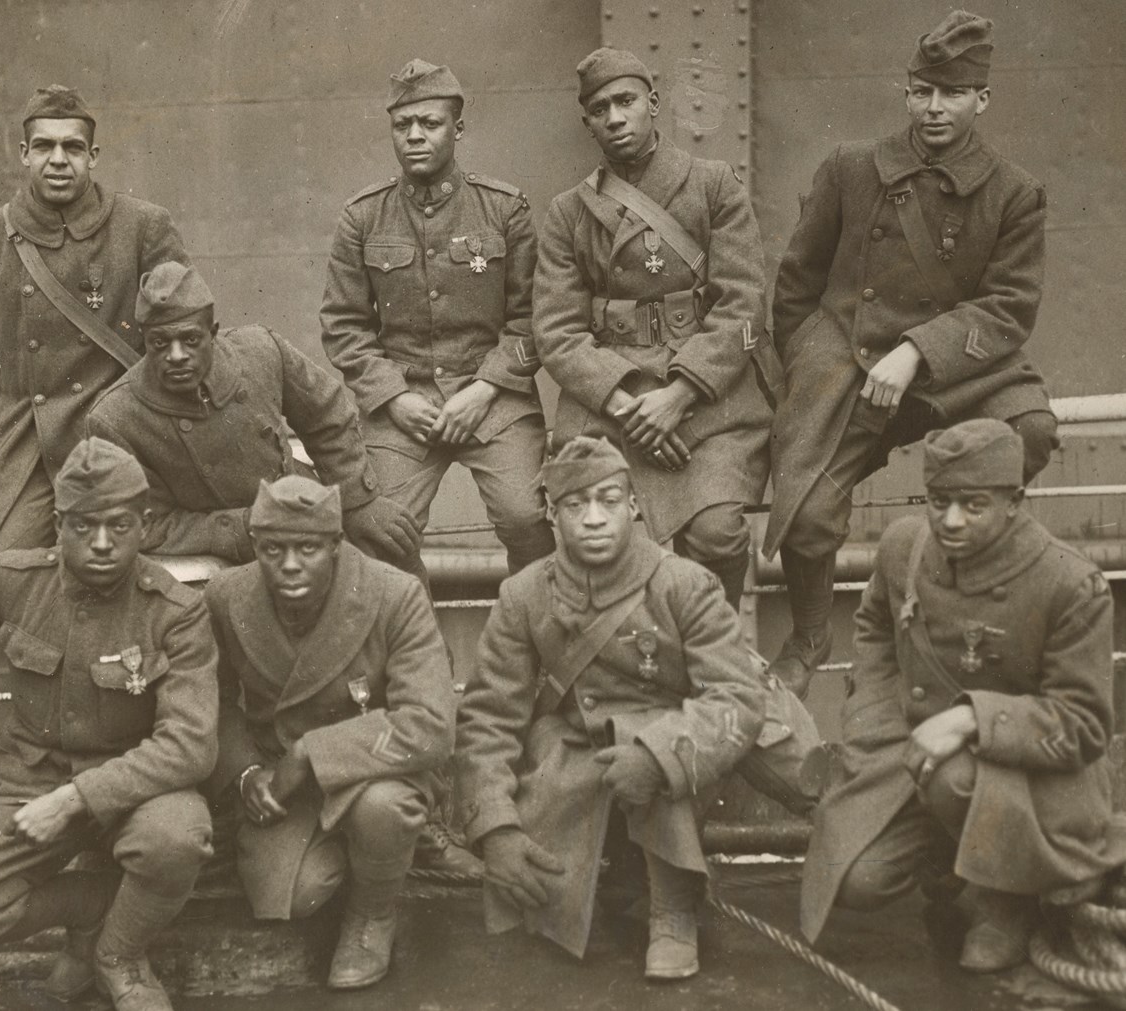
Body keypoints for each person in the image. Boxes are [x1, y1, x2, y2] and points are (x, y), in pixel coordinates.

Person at [764, 10, 1057, 697]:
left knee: (1031, 431)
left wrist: (916, 352)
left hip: (958, 367)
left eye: (951, 94)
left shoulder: (1013, 193)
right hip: (850, 361)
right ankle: (809, 633)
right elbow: (796, 284)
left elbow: (1009, 307)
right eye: (922, 92)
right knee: (806, 515)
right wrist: (812, 367)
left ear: (981, 99)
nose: (933, 109)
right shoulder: (850, 168)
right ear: (906, 93)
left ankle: (954, 588)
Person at [0, 437, 219, 1010]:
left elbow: (189, 746)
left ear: (145, 524)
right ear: (59, 525)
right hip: (27, 785)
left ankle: (120, 954)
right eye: (84, 527)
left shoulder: (175, 610)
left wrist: (74, 800)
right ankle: (93, 911)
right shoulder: (14, 581)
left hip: (135, 792)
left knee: (176, 838)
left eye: (119, 525)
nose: (103, 544)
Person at [454, 436, 807, 980]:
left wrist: (659, 756)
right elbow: (488, 717)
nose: (594, 519)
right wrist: (495, 828)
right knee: (543, 906)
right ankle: (623, 877)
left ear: (634, 506)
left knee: (655, 745)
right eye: (576, 505)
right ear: (552, 513)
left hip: (684, 734)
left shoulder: (683, 583)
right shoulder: (524, 595)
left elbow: (735, 695)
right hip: (580, 744)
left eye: (609, 501)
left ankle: (674, 911)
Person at [801, 419, 1126, 972]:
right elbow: (876, 624)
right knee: (857, 883)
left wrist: (972, 721)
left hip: (1033, 778)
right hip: (913, 750)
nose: (951, 520)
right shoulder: (905, 545)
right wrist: (871, 718)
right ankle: (956, 872)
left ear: (1014, 502)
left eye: (973, 506)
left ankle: (1009, 902)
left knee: (954, 776)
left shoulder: (1070, 585)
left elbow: (1085, 726)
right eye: (939, 501)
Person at [532, 48, 776, 611]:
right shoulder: (569, 212)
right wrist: (631, 404)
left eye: (626, 101)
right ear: (587, 122)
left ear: (652, 104)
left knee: (716, 534)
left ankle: (716, 648)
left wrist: (680, 394)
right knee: (598, 540)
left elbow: (742, 304)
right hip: (610, 403)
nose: (615, 117)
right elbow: (556, 331)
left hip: (709, 397)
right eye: (600, 109)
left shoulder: (713, 186)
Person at [203, 476, 455, 989]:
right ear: (255, 546)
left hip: (376, 769)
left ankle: (374, 912)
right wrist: (245, 772)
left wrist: (312, 752)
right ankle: (372, 856)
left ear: (337, 545)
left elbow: (430, 725)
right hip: (281, 784)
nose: (290, 565)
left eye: (309, 548)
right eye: (273, 549)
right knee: (298, 897)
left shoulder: (393, 594)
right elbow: (212, 703)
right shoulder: (227, 596)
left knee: (382, 809)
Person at [320, 58, 555, 579]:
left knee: (526, 517)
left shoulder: (504, 210)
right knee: (380, 530)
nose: (415, 137)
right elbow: (344, 325)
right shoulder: (362, 216)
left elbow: (533, 318)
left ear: (458, 128)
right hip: (404, 400)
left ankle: (538, 643)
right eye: (403, 126)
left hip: (494, 398)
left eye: (430, 123)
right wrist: (394, 397)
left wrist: (485, 389)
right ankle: (416, 652)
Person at [0, 84, 191, 560]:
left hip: (117, 433)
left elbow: (187, 333)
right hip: (24, 440)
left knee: (115, 563)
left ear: (93, 155)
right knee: (10, 571)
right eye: (44, 146)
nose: (58, 159)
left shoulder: (143, 225)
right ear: (24, 153)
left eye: (72, 147)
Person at [87, 261, 421, 571]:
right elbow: (147, 524)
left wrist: (357, 501)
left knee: (392, 555)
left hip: (302, 507)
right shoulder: (115, 418)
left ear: (213, 332)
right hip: (221, 549)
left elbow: (328, 416)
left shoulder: (260, 350)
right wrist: (246, 525)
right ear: (143, 340)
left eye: (190, 339)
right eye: (160, 342)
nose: (176, 356)